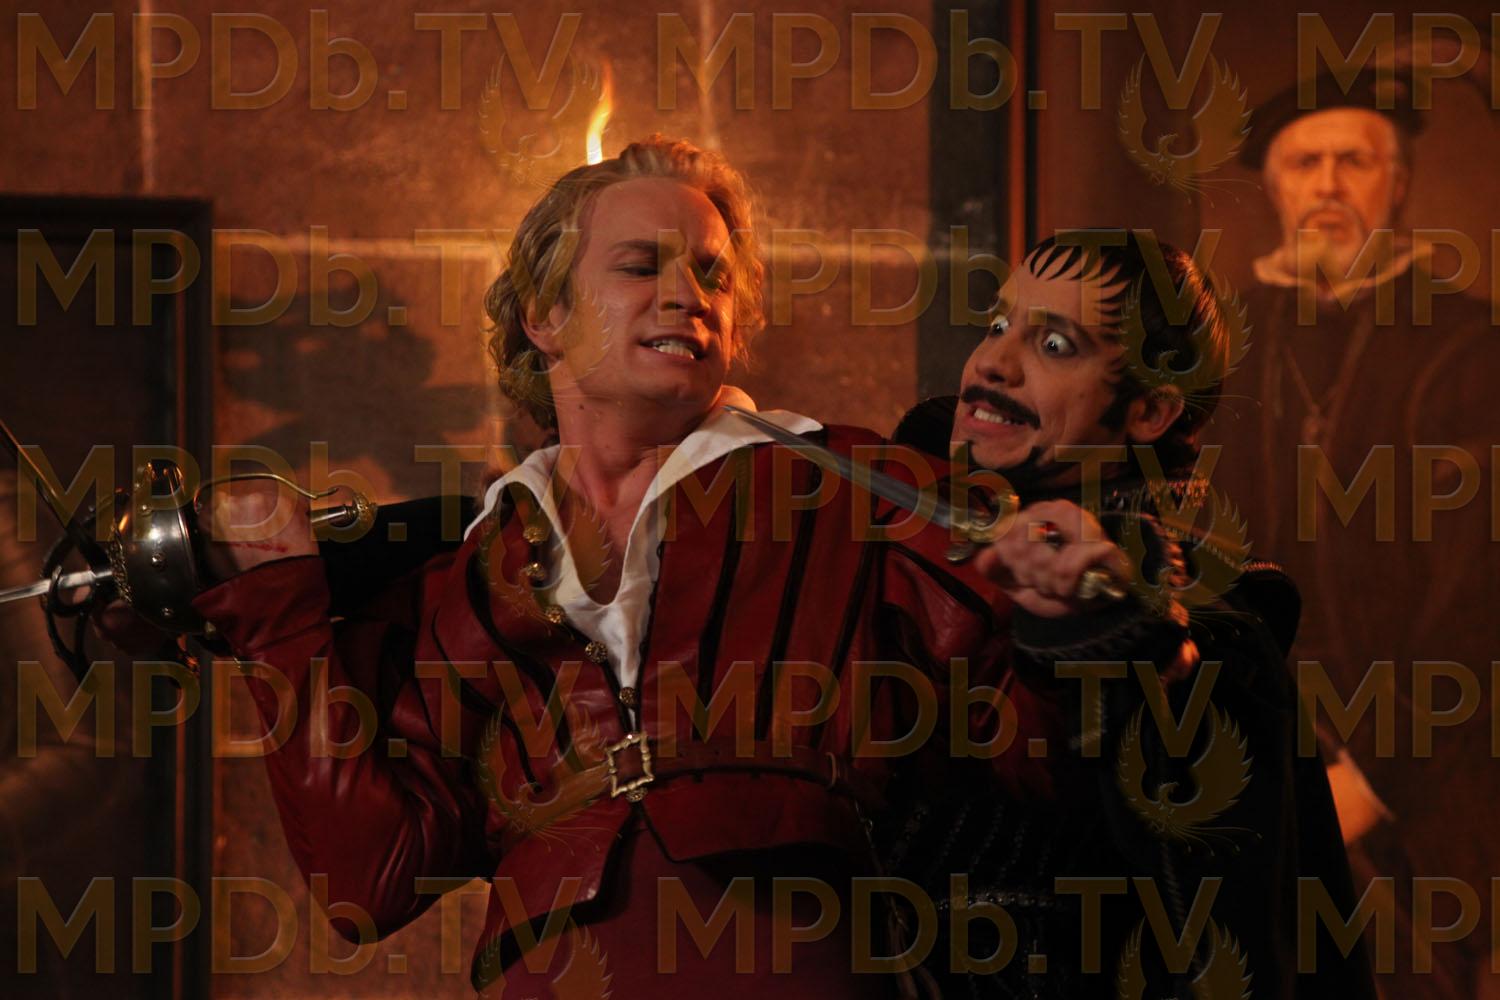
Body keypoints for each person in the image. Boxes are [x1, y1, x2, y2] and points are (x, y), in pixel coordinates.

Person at [179, 135, 1077, 997]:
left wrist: (1077, 617)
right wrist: (279, 618)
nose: (686, 295)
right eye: (642, 267)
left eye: (712, 275)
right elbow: (367, 881)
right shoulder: (463, 583)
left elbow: (1045, 758)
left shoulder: (857, 491)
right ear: (545, 316)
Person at [888, 231, 1376, 997]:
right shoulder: (903, 543)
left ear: (1149, 410)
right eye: (997, 325)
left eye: (1054, 343)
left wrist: (1111, 641)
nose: (992, 363)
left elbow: (1225, 938)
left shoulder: (1216, 635)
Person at [1208, 68, 1500, 997]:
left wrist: (1372, 778)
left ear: (1398, 186)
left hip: (1425, 768)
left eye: (1355, 162)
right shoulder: (1224, 347)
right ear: (1274, 189)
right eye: (1306, 164)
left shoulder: (1471, 343)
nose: (1329, 185)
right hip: (1252, 744)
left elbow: (1478, 596)